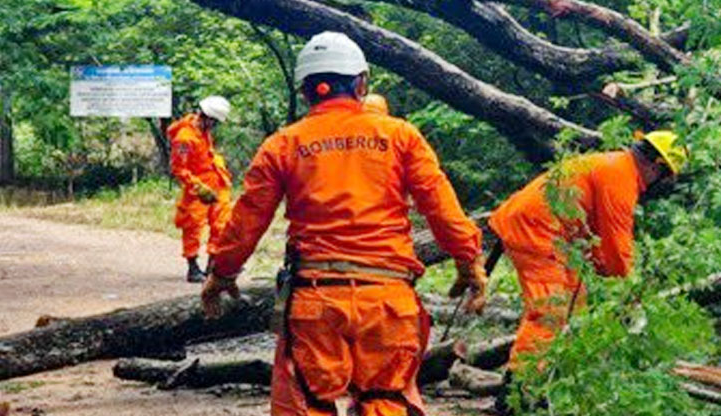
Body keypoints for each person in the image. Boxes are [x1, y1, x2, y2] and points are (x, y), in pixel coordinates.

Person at [200, 31, 487, 416]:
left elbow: (247, 219)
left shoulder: (283, 144)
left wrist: (221, 274)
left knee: (306, 403)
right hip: (388, 302)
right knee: (386, 402)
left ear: (305, 92)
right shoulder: (400, 136)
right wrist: (469, 263)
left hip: (316, 301)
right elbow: (443, 209)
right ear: (361, 83)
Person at [488, 131, 688, 371]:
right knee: (551, 313)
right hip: (538, 230)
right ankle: (519, 390)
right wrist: (629, 291)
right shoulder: (620, 177)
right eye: (666, 177)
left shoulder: (616, 166)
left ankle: (554, 376)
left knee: (575, 302)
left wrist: (602, 265)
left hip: (553, 233)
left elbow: (598, 236)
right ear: (658, 167)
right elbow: (616, 245)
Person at [167, 95, 233, 283]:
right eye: (214, 122)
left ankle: (213, 266)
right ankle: (193, 267)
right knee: (193, 226)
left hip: (217, 183)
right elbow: (178, 168)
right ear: (207, 117)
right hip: (198, 189)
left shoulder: (203, 130)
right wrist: (197, 186)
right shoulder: (184, 138)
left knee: (222, 225)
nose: (214, 126)